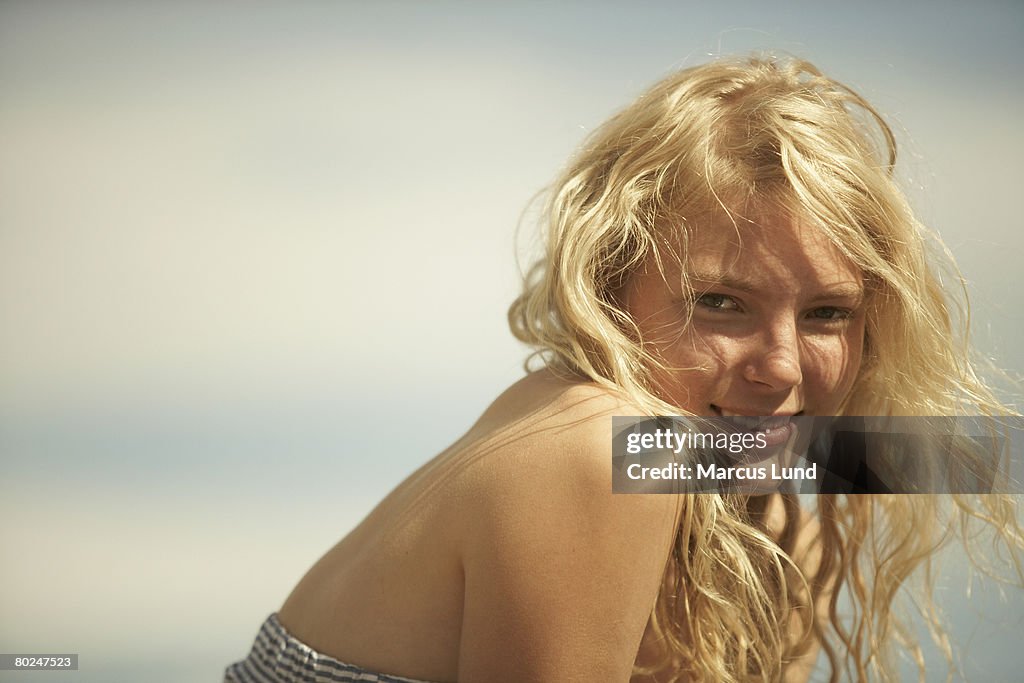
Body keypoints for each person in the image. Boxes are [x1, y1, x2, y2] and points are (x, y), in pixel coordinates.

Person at [224, 54, 1022, 683]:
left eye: (826, 314)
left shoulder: (777, 534)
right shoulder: (596, 448)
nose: (781, 367)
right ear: (610, 286)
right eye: (719, 302)